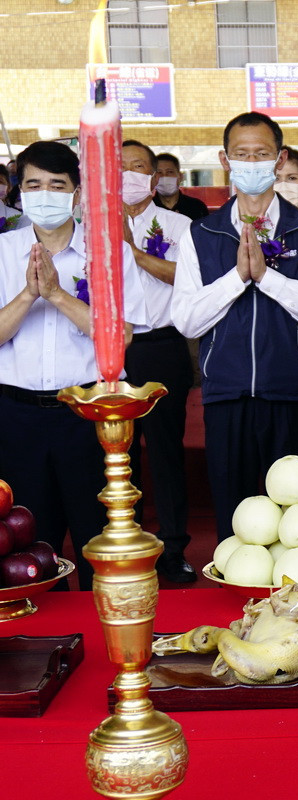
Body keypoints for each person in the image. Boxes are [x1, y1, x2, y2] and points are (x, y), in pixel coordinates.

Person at [171, 112, 298, 542]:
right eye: (241, 154)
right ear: (225, 160)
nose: (251, 162)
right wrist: (237, 278)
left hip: (297, 392)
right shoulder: (202, 233)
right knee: (239, 521)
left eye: (261, 154)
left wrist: (269, 278)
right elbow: (187, 319)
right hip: (227, 395)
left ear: (279, 158)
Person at [0, 141, 148, 590]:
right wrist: (28, 294)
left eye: (57, 185)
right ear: (19, 192)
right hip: (17, 415)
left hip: (89, 412)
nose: (44, 194)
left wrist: (59, 295)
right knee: (27, 544)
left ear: (78, 193)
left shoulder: (108, 254)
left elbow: (120, 339)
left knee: (98, 536)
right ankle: (41, 644)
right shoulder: (4, 252)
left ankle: (109, 637)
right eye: (33, 184)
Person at [120, 140, 197, 583]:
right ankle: (124, 538)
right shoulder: (86, 225)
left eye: (138, 167)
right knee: (119, 451)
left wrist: (133, 252)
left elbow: (185, 279)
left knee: (166, 451)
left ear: (153, 178)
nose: (129, 175)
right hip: (111, 348)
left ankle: (173, 547)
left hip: (163, 345)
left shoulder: (179, 224)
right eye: (120, 168)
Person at [153, 153, 209, 220]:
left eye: (170, 172)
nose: (164, 176)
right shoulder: (147, 208)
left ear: (180, 176)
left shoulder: (197, 207)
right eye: (159, 172)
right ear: (153, 177)